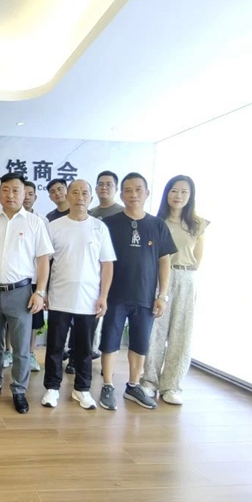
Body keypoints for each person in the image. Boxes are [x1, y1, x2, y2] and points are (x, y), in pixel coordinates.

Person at [0, 173, 53, 414]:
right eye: (5, 190)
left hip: (21, 293)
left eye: (15, 190)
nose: (10, 195)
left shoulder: (35, 223)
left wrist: (40, 292)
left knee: (20, 348)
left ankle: (19, 390)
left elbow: (43, 260)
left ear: (24, 193)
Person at [98, 173, 177, 411]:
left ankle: (133, 386)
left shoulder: (157, 225)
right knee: (109, 342)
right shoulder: (108, 223)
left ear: (147, 193)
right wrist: (101, 294)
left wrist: (162, 295)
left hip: (145, 296)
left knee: (140, 343)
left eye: (138, 190)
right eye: (128, 190)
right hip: (115, 295)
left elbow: (164, 261)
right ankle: (108, 385)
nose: (133, 194)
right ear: (121, 194)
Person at [42, 180, 115, 409]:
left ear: (90, 198)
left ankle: (81, 389)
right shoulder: (54, 226)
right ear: (68, 196)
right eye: (75, 192)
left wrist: (103, 296)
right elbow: (44, 262)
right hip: (59, 296)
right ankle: (52, 388)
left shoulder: (99, 228)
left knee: (84, 349)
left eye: (85, 193)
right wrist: (43, 291)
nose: (80, 196)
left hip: (89, 299)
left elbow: (107, 264)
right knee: (55, 346)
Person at [141, 175, 208, 405]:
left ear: (190, 196)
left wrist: (181, 273)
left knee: (181, 332)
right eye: (174, 191)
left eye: (184, 192)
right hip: (159, 278)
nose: (178, 196)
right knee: (155, 331)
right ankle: (149, 381)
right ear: (166, 193)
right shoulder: (156, 221)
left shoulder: (198, 224)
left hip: (186, 278)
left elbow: (197, 260)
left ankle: (171, 385)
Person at [87, 170, 123, 362]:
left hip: (117, 273)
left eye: (109, 184)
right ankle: (85, 354)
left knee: (112, 320)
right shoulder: (90, 214)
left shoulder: (123, 213)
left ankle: (107, 362)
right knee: (91, 315)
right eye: (101, 184)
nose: (104, 187)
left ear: (116, 189)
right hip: (93, 274)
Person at [21, 179, 48, 372]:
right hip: (16, 279)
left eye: (30, 194)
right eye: (24, 193)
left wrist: (42, 288)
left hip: (35, 279)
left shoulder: (42, 221)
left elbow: (46, 256)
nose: (27, 197)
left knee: (33, 320)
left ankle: (30, 353)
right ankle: (8, 351)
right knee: (11, 319)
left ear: (35, 197)